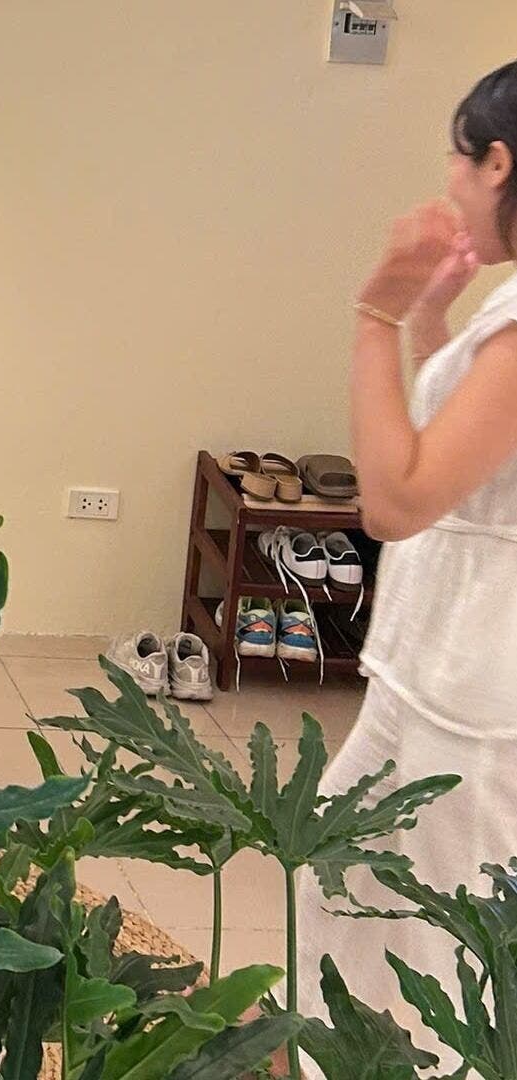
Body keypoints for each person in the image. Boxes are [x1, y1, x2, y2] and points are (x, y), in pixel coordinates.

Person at [296, 59, 517, 1072]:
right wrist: (432, 316)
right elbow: (463, 430)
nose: (448, 178)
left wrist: (372, 316)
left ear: (496, 161)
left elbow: (393, 500)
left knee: (424, 953)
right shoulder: (504, 306)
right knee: (337, 886)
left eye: (454, 156)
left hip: (469, 699)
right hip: (430, 673)